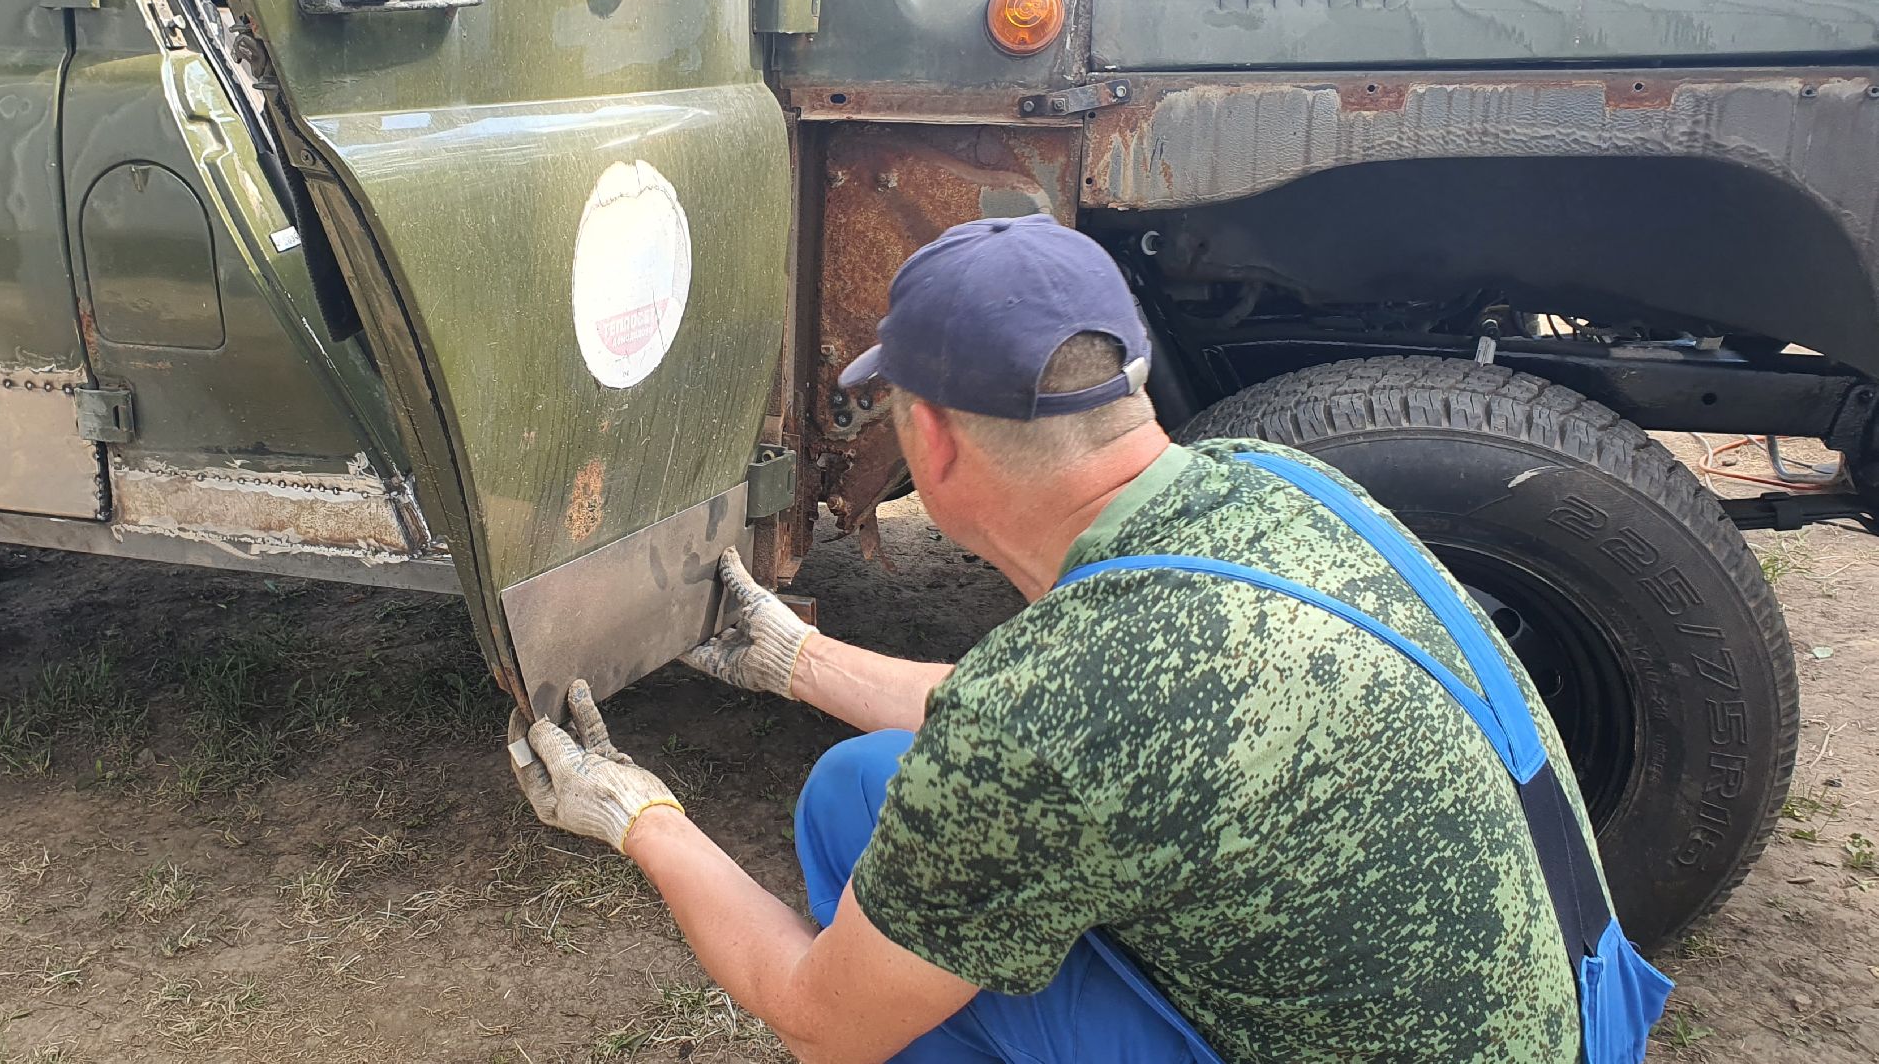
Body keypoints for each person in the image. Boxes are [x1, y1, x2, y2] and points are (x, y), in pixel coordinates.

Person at [505, 215, 1666, 1063]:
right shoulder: (1270, 481)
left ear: (936, 447)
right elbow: (1069, 722)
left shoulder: (1058, 709)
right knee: (862, 789)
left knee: (871, 989)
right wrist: (786, 657)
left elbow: (817, 1011)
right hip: (1572, 1023)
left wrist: (637, 815)